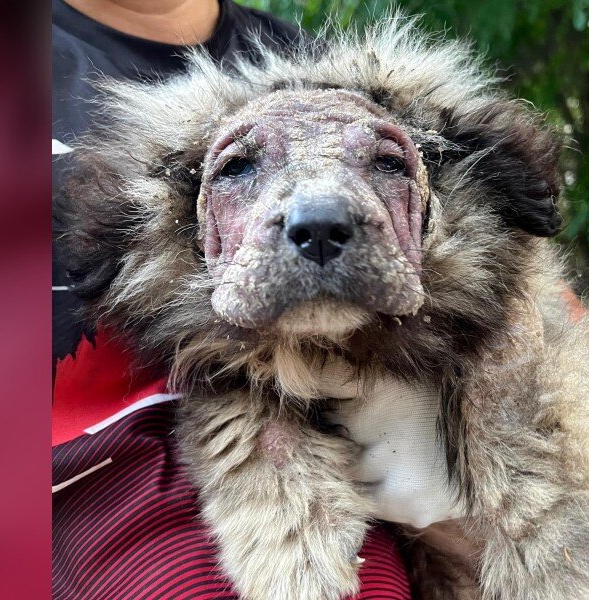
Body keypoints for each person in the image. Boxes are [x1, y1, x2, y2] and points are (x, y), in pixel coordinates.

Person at [52, 1, 412, 598]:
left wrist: (494, 406)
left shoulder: (344, 69)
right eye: (239, 167)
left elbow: (547, 304)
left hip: (336, 442)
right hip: (84, 480)